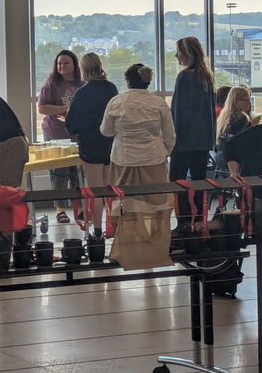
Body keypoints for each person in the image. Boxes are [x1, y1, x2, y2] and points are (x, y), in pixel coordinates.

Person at [100, 63, 176, 200]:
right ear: (148, 81)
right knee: (155, 203)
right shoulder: (158, 102)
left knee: (125, 203)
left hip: (123, 158)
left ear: (128, 81)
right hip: (153, 158)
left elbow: (106, 131)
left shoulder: (116, 102)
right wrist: (165, 152)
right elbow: (170, 136)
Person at [65, 53, 117, 237]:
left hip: (90, 144)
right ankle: (113, 226)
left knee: (95, 189)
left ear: (84, 69)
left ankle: (96, 230)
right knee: (109, 188)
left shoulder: (82, 92)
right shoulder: (111, 88)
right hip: (110, 142)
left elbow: (72, 123)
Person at [169, 38, 216, 220]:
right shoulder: (207, 76)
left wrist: (172, 139)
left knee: (177, 182)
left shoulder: (184, 76)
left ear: (187, 53)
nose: (176, 55)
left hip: (183, 140)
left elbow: (178, 112)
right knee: (199, 183)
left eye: (178, 51)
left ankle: (183, 221)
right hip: (202, 140)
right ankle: (198, 222)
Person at [37, 50, 83, 221]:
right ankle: (60, 210)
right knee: (59, 172)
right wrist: (64, 109)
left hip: (76, 133)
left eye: (66, 63)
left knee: (76, 172)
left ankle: (79, 209)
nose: (62, 66)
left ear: (74, 65)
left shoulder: (82, 84)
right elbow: (42, 108)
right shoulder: (51, 84)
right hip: (55, 133)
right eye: (59, 63)